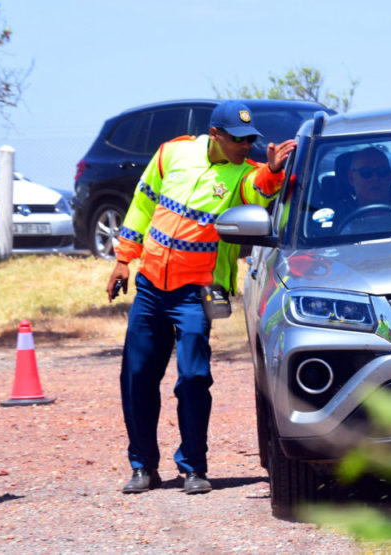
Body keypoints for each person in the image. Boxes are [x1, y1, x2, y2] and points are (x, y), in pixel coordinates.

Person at [106, 100, 297, 495]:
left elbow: (258, 188)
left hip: (198, 293)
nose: (247, 145)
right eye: (238, 139)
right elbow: (142, 205)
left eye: (251, 139)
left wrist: (274, 170)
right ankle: (143, 466)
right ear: (215, 135)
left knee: (193, 378)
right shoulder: (171, 153)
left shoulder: (244, 174)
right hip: (151, 288)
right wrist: (124, 259)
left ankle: (193, 467)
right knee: (137, 377)